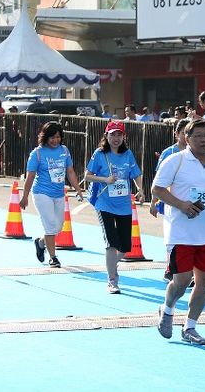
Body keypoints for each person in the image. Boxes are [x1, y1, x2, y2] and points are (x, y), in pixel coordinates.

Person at [152, 119, 205, 345]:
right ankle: (167, 310)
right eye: (198, 136)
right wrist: (182, 205)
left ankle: (190, 327)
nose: (204, 140)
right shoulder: (175, 160)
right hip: (180, 231)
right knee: (182, 280)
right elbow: (157, 189)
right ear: (187, 138)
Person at [84, 120, 144, 294]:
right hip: (104, 203)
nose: (116, 138)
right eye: (113, 134)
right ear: (106, 136)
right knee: (111, 243)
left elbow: (136, 173)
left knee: (125, 247)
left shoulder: (128, 154)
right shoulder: (100, 154)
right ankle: (112, 280)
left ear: (124, 136)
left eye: (119, 134)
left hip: (124, 204)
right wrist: (105, 179)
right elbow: (87, 176)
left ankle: (112, 264)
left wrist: (140, 189)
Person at [20, 121, 84, 268]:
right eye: (52, 137)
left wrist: (78, 189)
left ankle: (41, 242)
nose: (55, 140)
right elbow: (30, 176)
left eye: (58, 137)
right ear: (45, 137)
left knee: (58, 227)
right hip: (42, 193)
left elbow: (70, 171)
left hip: (58, 193)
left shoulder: (64, 151)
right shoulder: (37, 153)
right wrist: (24, 196)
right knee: (50, 226)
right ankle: (53, 257)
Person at [149, 119, 190, 218]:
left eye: (189, 133)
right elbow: (158, 179)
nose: (186, 136)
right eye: (183, 133)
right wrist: (153, 202)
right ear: (176, 133)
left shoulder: (197, 154)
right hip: (171, 200)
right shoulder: (168, 153)